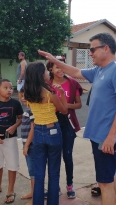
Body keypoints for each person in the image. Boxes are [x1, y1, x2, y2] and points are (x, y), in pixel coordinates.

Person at [39, 32, 116, 205]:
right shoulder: (99, 70)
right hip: (100, 136)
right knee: (110, 176)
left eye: (92, 49)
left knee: (104, 183)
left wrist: (111, 136)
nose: (90, 53)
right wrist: (55, 61)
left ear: (106, 48)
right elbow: (75, 71)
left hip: (106, 138)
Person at [24, 61, 68, 205]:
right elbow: (64, 111)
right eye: (46, 71)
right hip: (53, 132)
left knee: (39, 173)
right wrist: (61, 93)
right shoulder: (50, 94)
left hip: (37, 132)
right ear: (40, 75)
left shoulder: (28, 94)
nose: (48, 73)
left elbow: (42, 111)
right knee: (54, 173)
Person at [46, 57, 83, 199]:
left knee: (67, 156)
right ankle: (56, 186)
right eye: (56, 67)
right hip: (52, 122)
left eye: (62, 66)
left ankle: (69, 184)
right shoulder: (47, 85)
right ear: (51, 69)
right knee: (53, 157)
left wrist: (64, 106)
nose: (60, 70)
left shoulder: (72, 83)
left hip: (67, 123)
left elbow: (78, 105)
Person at [19, 88, 35, 205]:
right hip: (27, 145)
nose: (23, 98)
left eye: (26, 96)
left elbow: (33, 129)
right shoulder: (28, 109)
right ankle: (32, 192)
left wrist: (27, 145)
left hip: (31, 147)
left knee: (34, 173)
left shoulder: (32, 110)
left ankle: (35, 197)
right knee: (31, 172)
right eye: (22, 95)